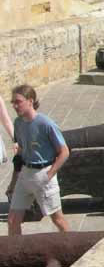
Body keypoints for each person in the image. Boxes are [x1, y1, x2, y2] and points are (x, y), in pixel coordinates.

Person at [7, 85, 69, 236]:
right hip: (25, 174)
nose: (15, 106)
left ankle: (72, 247)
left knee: (57, 220)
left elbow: (64, 152)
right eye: (13, 102)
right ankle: (15, 255)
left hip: (43, 173)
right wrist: (13, 183)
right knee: (13, 220)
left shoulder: (46, 124)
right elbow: (20, 154)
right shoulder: (18, 123)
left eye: (18, 102)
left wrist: (48, 175)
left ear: (30, 101)